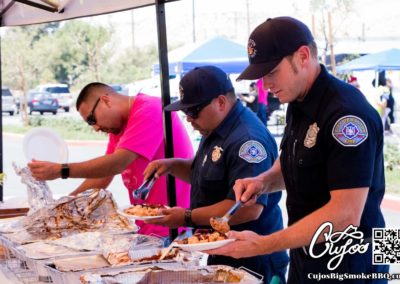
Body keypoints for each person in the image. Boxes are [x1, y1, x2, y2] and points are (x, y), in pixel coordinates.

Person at [206, 17, 389, 284]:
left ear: (303, 56)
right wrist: (263, 181)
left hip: (355, 263)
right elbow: (297, 159)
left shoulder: (347, 114)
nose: (265, 85)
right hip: (309, 255)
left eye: (271, 72)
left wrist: (264, 244)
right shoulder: (298, 99)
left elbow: (346, 215)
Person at [143, 66, 289, 283]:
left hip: (253, 259)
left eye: (193, 112)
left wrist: (186, 217)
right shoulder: (215, 125)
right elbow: (205, 172)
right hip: (224, 252)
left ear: (220, 102)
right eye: (186, 113)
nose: (189, 120)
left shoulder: (247, 140)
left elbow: (249, 209)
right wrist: (172, 166)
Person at [27, 82, 193, 237]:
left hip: (172, 227)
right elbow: (102, 176)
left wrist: (61, 170)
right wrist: (61, 207)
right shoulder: (118, 127)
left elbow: (117, 163)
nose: (96, 128)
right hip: (147, 226)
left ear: (105, 100)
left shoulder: (150, 109)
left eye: (92, 120)